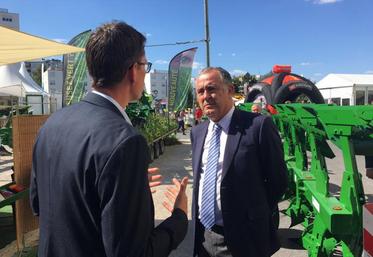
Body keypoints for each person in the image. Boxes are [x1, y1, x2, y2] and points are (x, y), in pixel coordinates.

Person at [30, 21, 188, 257]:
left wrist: (121, 188)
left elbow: (38, 203)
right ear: (133, 70)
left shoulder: (52, 124)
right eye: (145, 65)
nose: (145, 73)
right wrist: (179, 219)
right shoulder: (125, 141)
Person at [191, 67, 288, 257]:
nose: (206, 96)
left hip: (245, 240)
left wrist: (252, 216)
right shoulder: (197, 132)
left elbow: (278, 182)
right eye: (200, 91)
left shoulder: (258, 127)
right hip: (204, 237)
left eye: (211, 88)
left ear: (230, 89)